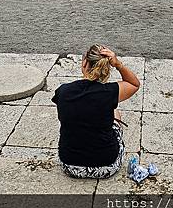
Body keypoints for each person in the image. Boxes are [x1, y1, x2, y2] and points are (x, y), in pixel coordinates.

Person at [52, 45, 140, 179]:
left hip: (70, 165)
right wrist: (118, 64)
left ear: (84, 63)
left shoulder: (63, 91)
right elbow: (134, 84)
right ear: (106, 67)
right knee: (115, 112)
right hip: (106, 165)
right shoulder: (110, 92)